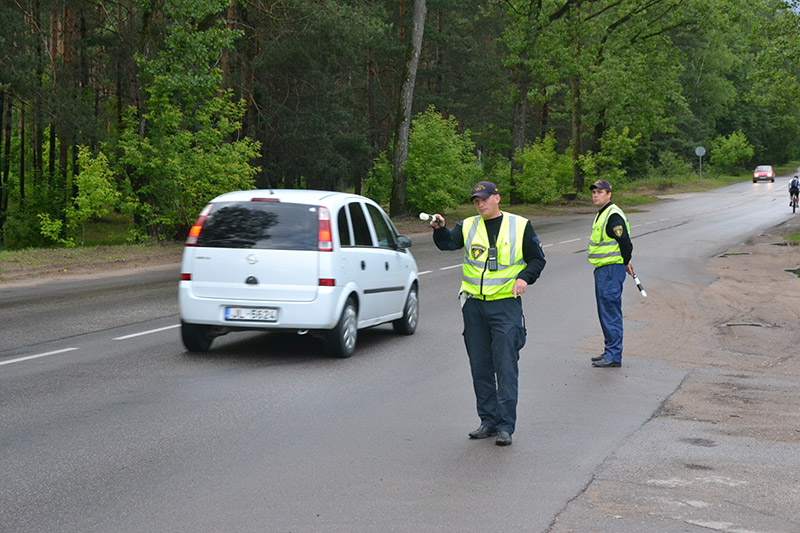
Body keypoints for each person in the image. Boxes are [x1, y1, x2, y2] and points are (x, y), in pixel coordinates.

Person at [429, 181, 546, 446]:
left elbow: (538, 259)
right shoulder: (468, 225)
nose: (479, 204)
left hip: (505, 304)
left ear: (497, 198)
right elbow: (448, 244)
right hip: (474, 306)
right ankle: (488, 421)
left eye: (484, 199)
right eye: (475, 200)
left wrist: (524, 278)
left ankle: (506, 426)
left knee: (505, 366)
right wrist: (440, 230)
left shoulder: (520, 225)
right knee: (480, 365)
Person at [587, 179, 634, 368]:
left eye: (600, 192)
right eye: (593, 192)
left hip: (610, 270)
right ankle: (609, 350)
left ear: (609, 194)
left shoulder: (613, 215)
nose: (595, 195)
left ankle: (614, 355)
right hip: (604, 269)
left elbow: (625, 242)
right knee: (605, 311)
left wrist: (625, 261)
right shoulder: (603, 213)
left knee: (610, 311)